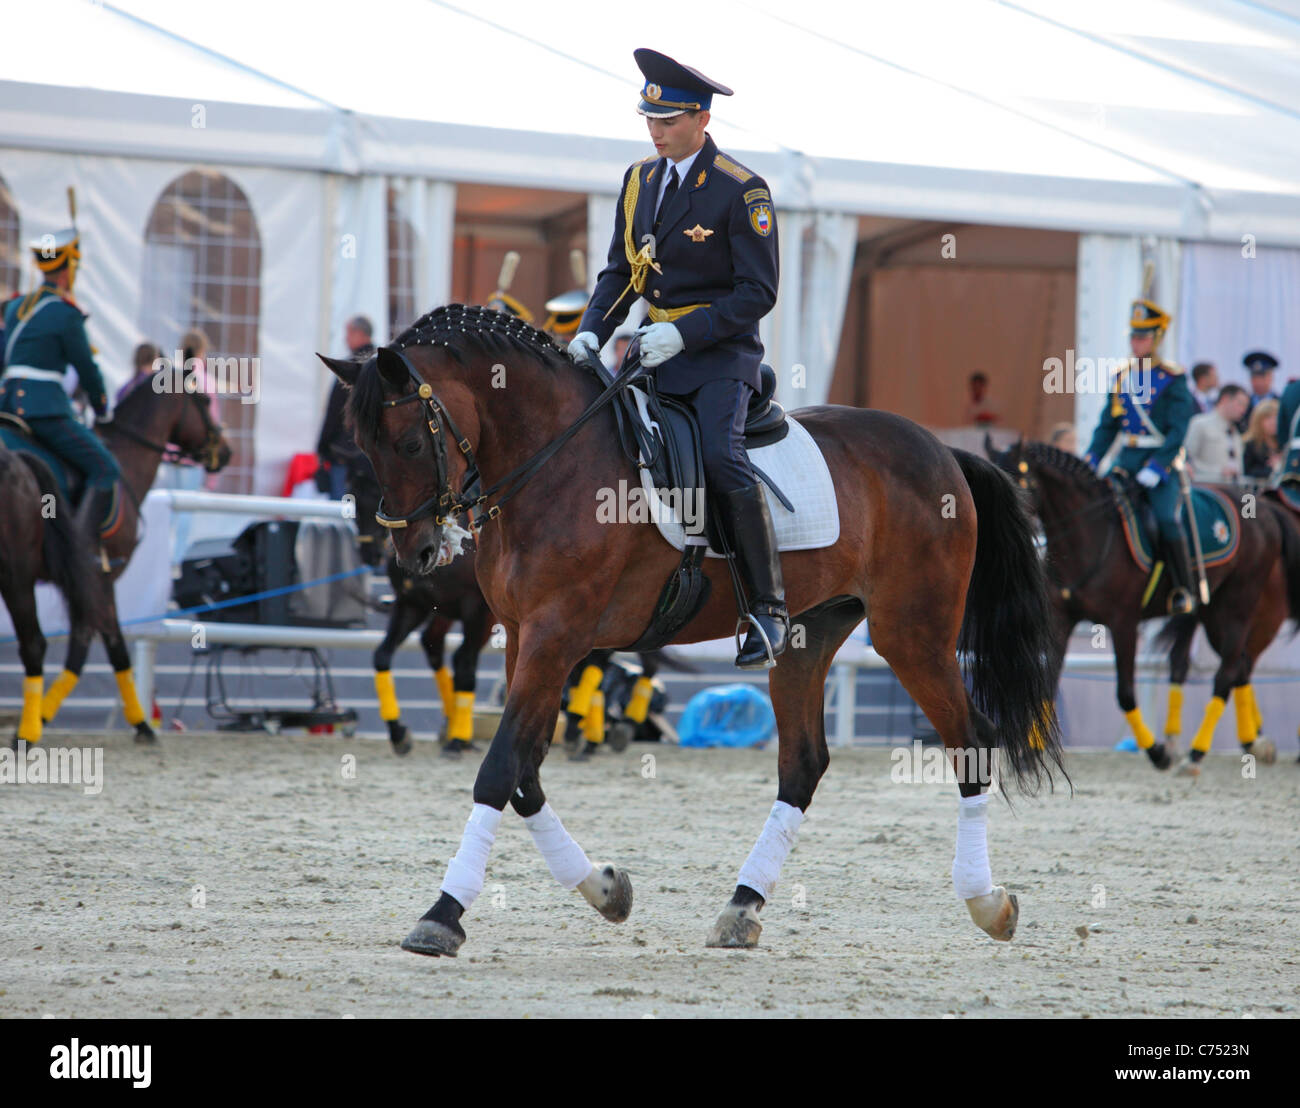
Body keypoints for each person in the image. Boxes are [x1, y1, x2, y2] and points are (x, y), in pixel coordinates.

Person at [569, 48, 785, 668]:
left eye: (668, 120)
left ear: (701, 119)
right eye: (649, 120)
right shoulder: (639, 180)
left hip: (718, 357)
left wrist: (686, 334)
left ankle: (767, 609)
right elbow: (621, 271)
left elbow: (757, 293)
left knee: (721, 456)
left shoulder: (741, 191)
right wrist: (590, 331)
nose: (656, 131)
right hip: (648, 352)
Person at [0, 225, 122, 544]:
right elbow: (87, 369)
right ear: (68, 271)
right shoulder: (67, 315)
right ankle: (75, 547)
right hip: (44, 409)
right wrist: (101, 406)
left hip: (8, 406)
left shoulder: (15, 307)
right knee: (104, 467)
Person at [1084, 294, 1198, 614]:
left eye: (1143, 336)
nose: (1136, 343)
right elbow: (1108, 426)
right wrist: (1092, 458)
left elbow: (1178, 430)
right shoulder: (1122, 377)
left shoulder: (1173, 379)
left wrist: (1159, 467)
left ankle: (1181, 589)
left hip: (1159, 467)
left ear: (1157, 339)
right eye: (1133, 336)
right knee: (1095, 510)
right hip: (1126, 462)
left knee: (1165, 520)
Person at [317, 315, 376, 499]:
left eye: (348, 333)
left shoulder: (349, 368)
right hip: (376, 456)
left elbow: (335, 412)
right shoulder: (382, 366)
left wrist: (323, 447)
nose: (345, 338)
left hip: (346, 454)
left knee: (342, 513)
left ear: (359, 334)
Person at [1183, 384, 1248, 482]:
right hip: (1205, 489)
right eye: (1240, 404)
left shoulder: (1236, 433)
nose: (1243, 410)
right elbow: (1187, 460)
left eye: (1245, 406)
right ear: (1225, 399)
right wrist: (1218, 472)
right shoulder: (1199, 423)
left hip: (1231, 491)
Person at [1239, 351, 1279, 434]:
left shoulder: (1281, 403)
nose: (1258, 382)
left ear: (1271, 377)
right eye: (1254, 377)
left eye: (1262, 377)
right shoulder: (1242, 404)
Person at [1242, 398, 1280, 479]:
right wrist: (1273, 469)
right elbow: (1247, 471)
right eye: (1268, 418)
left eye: (1276, 417)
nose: (1273, 422)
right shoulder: (1250, 444)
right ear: (1258, 421)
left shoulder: (1283, 443)